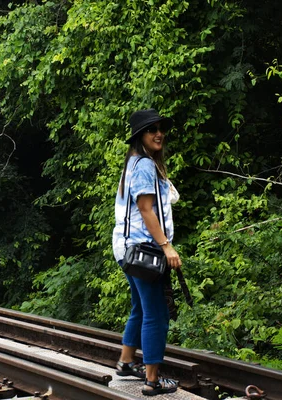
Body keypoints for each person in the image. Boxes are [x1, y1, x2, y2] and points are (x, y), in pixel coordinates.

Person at [112, 109, 182, 396]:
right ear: (140, 136)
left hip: (127, 249)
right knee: (156, 314)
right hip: (144, 250)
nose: (158, 133)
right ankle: (153, 380)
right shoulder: (144, 166)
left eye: (160, 128)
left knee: (140, 308)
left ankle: (126, 362)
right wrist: (166, 246)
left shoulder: (134, 163)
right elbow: (145, 208)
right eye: (151, 129)